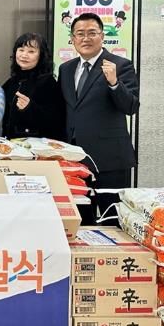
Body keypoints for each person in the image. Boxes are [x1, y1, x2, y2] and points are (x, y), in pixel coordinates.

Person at [58, 12, 139, 224]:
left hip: (110, 159)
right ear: (73, 39)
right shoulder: (66, 69)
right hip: (75, 159)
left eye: (92, 33)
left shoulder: (120, 65)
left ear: (102, 36)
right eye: (80, 33)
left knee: (111, 220)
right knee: (80, 219)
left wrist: (114, 83)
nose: (86, 38)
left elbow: (131, 106)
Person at [2, 33, 65, 140]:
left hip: (35, 145)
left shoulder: (48, 82)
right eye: (21, 50)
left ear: (41, 55)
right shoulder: (12, 81)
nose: (24, 55)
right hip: (10, 144)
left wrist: (29, 108)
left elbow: (56, 120)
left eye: (31, 51)